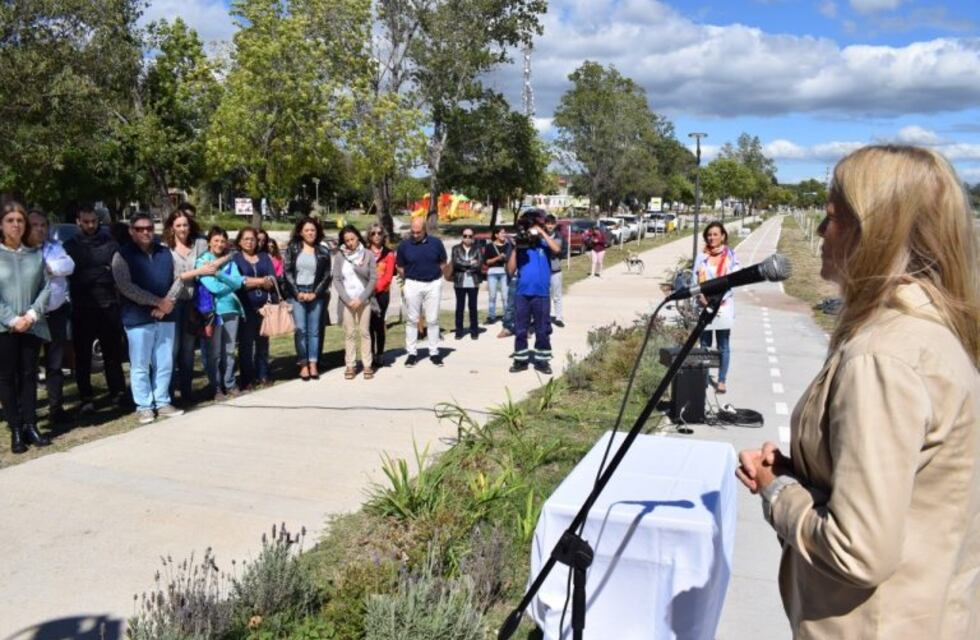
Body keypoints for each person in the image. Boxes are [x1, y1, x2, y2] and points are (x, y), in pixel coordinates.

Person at [736, 145, 979, 639]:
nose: (823, 233)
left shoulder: (882, 357)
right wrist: (800, 472)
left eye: (832, 218)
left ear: (877, 231)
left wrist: (777, 491)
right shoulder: (926, 331)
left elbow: (858, 549)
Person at [111, 212, 185, 424]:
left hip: (165, 317)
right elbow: (126, 287)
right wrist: (156, 301)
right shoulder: (122, 256)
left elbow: (178, 280)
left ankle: (162, 402)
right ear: (131, 231)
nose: (145, 232)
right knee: (140, 364)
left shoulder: (165, 253)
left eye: (149, 228)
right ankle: (144, 406)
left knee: (164, 362)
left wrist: (167, 303)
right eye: (140, 229)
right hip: (137, 318)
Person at [63, 203, 127, 413]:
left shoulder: (109, 242)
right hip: (82, 307)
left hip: (108, 306)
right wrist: (100, 271)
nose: (90, 225)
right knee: (82, 357)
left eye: (94, 221)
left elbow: (116, 274)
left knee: (113, 355)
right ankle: (86, 397)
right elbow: (73, 277)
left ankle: (117, 392)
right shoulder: (70, 245)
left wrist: (91, 273)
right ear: (78, 222)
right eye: (86, 222)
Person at [0, 202, 52, 453]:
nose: (16, 225)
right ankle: (16, 429)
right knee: (7, 378)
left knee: (29, 375)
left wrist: (31, 315)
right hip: (5, 328)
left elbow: (46, 287)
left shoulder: (35, 254)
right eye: (10, 220)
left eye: (20, 220)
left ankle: (31, 425)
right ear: (2, 225)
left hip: (32, 325)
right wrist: (12, 320)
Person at [163, 210, 222, 404]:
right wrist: (198, 271)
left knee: (188, 350)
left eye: (185, 225)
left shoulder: (200, 244)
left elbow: (210, 267)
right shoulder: (165, 248)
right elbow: (174, 277)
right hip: (172, 302)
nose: (182, 229)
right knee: (172, 350)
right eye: (178, 225)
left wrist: (202, 271)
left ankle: (187, 392)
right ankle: (169, 393)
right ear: (172, 226)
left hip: (192, 302)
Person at [28, 209, 75, 425]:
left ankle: (56, 408)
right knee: (27, 367)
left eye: (43, 225)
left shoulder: (55, 247)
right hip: (30, 318)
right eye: (35, 225)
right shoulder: (19, 251)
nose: (39, 229)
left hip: (55, 313)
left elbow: (69, 265)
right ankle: (26, 414)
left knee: (55, 365)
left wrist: (48, 268)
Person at [196, 226, 248, 400]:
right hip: (214, 313)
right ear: (209, 241)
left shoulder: (230, 262)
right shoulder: (203, 261)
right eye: (216, 240)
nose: (219, 244)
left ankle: (230, 383)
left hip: (232, 309)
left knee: (230, 350)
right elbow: (213, 287)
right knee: (215, 353)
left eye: (223, 241)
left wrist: (218, 273)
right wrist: (230, 282)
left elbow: (238, 282)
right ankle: (216, 387)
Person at [506, 209, 560, 374]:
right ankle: (520, 360)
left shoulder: (544, 243)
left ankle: (542, 360)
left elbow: (557, 249)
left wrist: (542, 233)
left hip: (542, 293)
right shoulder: (521, 245)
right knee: (521, 329)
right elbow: (510, 270)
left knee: (542, 329)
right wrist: (516, 248)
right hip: (522, 293)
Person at [395, 216, 449, 367]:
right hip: (412, 283)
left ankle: (434, 352)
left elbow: (443, 262)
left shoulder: (436, 243)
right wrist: (408, 281)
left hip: (433, 284)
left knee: (432, 320)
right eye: (413, 232)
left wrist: (437, 279)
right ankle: (412, 353)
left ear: (425, 230)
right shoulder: (404, 245)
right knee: (412, 319)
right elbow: (400, 267)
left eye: (418, 232)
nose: (415, 235)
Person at [283, 217, 331, 380]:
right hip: (297, 294)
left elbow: (326, 276)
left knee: (314, 331)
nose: (310, 233)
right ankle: (303, 364)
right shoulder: (293, 248)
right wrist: (297, 293)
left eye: (313, 230)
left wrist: (315, 293)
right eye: (307, 230)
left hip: (315, 294)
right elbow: (287, 272)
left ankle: (313, 363)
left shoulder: (323, 251)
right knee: (301, 330)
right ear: (300, 232)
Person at [693, 222, 739, 393]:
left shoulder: (731, 256)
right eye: (709, 235)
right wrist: (700, 297)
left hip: (723, 306)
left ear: (723, 236)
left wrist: (719, 300)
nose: (712, 238)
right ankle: (703, 379)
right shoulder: (701, 257)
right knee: (704, 344)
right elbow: (694, 280)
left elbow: (734, 280)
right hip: (704, 304)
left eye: (715, 234)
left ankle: (721, 380)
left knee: (723, 345)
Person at [233, 228, 277, 390]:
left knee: (263, 343)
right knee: (245, 345)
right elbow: (238, 282)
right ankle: (247, 378)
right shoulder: (235, 259)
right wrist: (260, 281)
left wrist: (253, 281)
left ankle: (263, 374)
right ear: (239, 241)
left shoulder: (265, 257)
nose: (249, 242)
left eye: (252, 239)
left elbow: (272, 279)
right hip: (246, 307)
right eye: (245, 239)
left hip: (265, 307)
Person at [333, 226, 377, 379]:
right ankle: (350, 365)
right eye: (347, 240)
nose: (350, 242)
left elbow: (372, 279)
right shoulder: (340, 256)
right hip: (347, 301)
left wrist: (362, 298)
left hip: (363, 300)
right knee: (349, 333)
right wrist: (347, 299)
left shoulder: (368, 254)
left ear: (358, 237)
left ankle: (367, 364)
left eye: (352, 239)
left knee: (364, 332)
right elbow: (337, 279)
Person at [366, 223, 395, 367]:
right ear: (369, 236)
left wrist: (375, 288)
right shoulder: (364, 252)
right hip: (366, 295)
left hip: (382, 294)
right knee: (368, 325)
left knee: (379, 324)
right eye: (373, 233)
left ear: (384, 235)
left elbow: (388, 276)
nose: (376, 236)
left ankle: (380, 353)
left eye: (379, 233)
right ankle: (369, 353)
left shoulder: (389, 254)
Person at [451, 227, 482, 340]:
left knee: (473, 307)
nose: (467, 238)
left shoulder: (477, 249)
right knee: (460, 307)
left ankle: (474, 331)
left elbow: (479, 264)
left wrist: (465, 265)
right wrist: (470, 263)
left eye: (470, 236)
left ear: (473, 237)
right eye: (465, 236)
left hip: (473, 281)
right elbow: (456, 263)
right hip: (460, 281)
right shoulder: (455, 248)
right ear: (462, 237)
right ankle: (459, 331)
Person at [483, 227, 510, 324]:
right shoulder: (489, 246)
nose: (504, 234)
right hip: (492, 272)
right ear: (496, 235)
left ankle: (507, 315)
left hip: (505, 272)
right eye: (502, 233)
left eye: (504, 232)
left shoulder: (508, 246)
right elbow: (487, 262)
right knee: (492, 295)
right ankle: (491, 316)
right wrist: (498, 258)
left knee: (505, 296)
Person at [544, 215, 566, 328]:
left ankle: (558, 317)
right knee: (544, 295)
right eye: (548, 223)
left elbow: (555, 248)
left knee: (557, 295)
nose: (550, 226)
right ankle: (545, 317)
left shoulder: (558, 236)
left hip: (555, 270)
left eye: (552, 224)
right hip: (543, 271)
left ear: (555, 224)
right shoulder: (541, 236)